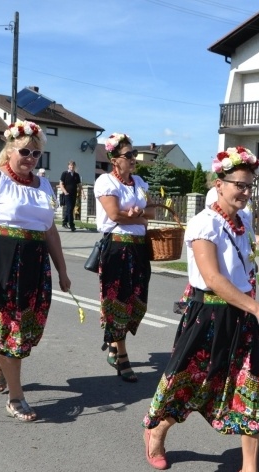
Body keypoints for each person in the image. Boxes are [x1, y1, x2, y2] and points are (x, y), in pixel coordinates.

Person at [142, 146, 259, 472]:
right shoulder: (204, 222)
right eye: (239, 185)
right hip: (208, 317)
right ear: (219, 185)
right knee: (192, 384)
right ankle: (157, 431)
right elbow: (212, 278)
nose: (245, 191)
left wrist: (252, 309)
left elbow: (243, 268)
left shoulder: (243, 221)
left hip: (241, 319)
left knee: (248, 392)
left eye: (249, 185)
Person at [0, 119, 71, 422]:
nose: (31, 159)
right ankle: (16, 397)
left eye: (36, 154)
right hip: (2, 263)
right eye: (25, 152)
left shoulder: (44, 184)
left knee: (25, 331)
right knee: (13, 331)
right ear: (9, 150)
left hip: (35, 265)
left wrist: (62, 270)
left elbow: (50, 232)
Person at [93, 133, 154, 383]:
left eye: (134, 154)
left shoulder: (138, 182)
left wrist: (141, 212)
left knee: (137, 300)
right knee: (118, 300)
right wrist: (139, 217)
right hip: (117, 248)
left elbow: (152, 209)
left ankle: (113, 342)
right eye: (128, 155)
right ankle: (122, 356)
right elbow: (115, 214)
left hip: (139, 249)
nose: (134, 159)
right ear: (114, 159)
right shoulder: (107, 182)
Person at [60, 161, 81, 231]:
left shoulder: (76, 175)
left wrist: (81, 193)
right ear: (68, 166)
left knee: (70, 209)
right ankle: (72, 225)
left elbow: (79, 185)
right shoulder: (65, 174)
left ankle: (64, 222)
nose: (72, 167)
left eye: (73, 166)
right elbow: (61, 184)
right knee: (69, 209)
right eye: (70, 166)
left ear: (74, 167)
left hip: (74, 194)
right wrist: (65, 192)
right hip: (67, 194)